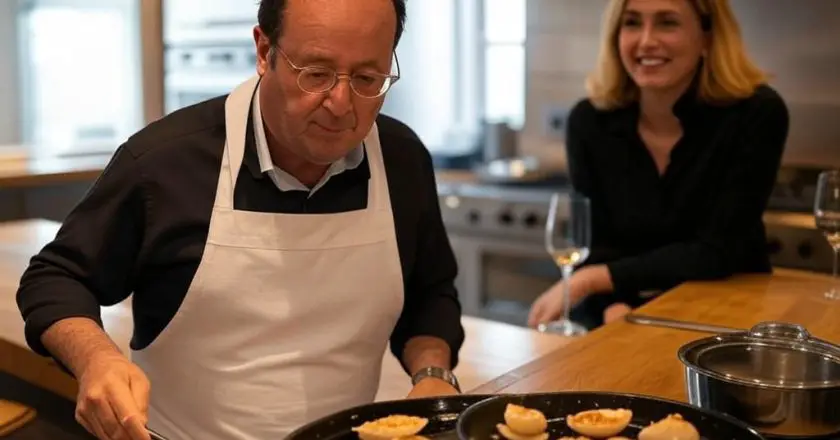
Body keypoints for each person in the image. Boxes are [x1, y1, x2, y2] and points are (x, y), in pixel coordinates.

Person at [15, 0, 466, 438]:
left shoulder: (401, 160)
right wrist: (97, 359)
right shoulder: (164, 163)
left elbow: (430, 293)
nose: (341, 103)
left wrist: (433, 373)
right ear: (264, 51)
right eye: (316, 74)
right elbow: (57, 278)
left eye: (369, 78)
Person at [528, 0, 789, 330]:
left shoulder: (758, 113)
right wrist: (613, 306)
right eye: (632, 23)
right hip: (623, 309)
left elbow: (718, 249)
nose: (646, 40)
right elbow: (598, 243)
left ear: (708, 37)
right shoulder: (589, 122)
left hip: (727, 317)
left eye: (668, 23)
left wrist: (591, 280)